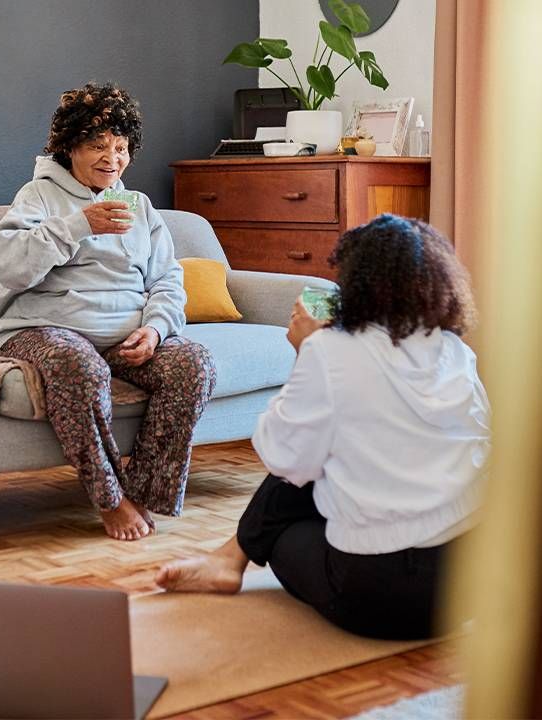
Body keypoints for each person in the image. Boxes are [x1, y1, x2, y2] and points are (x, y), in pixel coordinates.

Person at [156, 214, 490, 640]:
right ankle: (227, 559)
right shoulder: (455, 351)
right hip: (464, 590)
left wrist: (307, 351)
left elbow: (281, 458)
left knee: (290, 504)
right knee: (331, 454)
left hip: (374, 594)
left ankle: (229, 561)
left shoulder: (331, 351)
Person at [0, 82, 216, 542]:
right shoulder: (38, 197)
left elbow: (167, 279)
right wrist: (78, 225)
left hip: (124, 337)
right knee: (79, 366)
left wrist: (154, 330)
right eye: (97, 146)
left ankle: (144, 493)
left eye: (121, 147)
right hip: (43, 329)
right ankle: (109, 498)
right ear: (69, 146)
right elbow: (7, 263)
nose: (111, 159)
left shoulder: (140, 207)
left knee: (193, 363)